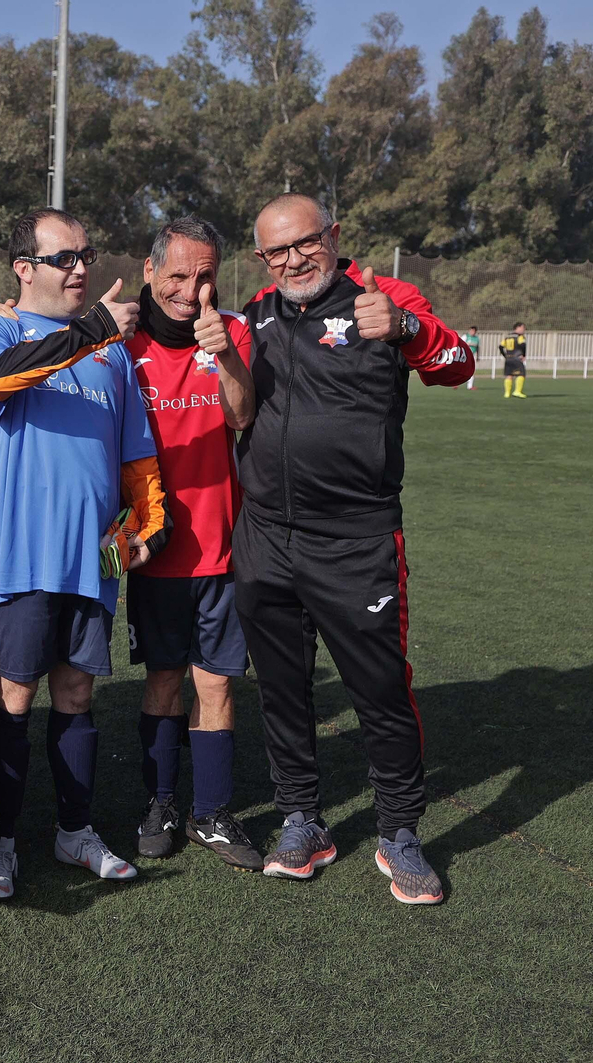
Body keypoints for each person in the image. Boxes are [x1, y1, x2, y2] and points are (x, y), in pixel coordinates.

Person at [235, 193, 471, 905]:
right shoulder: (257, 310)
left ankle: (399, 832)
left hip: (356, 538)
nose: (292, 260)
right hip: (266, 537)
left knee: (379, 691)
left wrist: (404, 329)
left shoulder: (385, 295)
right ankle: (302, 818)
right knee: (280, 690)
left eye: (304, 243)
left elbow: (458, 361)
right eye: (276, 251)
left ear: (333, 236)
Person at [0, 207, 165, 899]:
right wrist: (95, 328)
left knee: (78, 692)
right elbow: (2, 381)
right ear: (24, 268)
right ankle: (3, 841)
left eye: (86, 253)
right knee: (15, 696)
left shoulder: (114, 356)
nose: (81, 268)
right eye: (64, 258)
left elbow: (136, 453)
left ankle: (74, 830)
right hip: (22, 552)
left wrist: (145, 522)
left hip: (98, 555)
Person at [115, 216, 265, 870]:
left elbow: (242, 416)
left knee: (217, 683)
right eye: (178, 274)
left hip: (223, 550)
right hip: (155, 554)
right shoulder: (122, 344)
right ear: (151, 271)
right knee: (164, 680)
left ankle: (212, 811)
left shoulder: (231, 332)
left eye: (204, 276)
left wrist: (225, 354)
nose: (191, 289)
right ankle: (163, 801)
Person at [500, 322, 527, 398]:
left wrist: (505, 355)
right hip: (517, 358)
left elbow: (500, 346)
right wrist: (523, 355)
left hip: (508, 359)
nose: (524, 329)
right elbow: (523, 345)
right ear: (518, 327)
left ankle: (507, 393)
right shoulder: (520, 336)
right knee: (521, 374)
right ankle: (517, 391)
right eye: (523, 328)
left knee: (509, 375)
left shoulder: (507, 336)